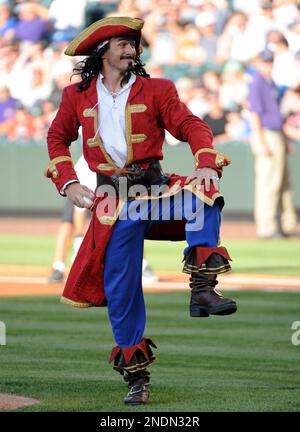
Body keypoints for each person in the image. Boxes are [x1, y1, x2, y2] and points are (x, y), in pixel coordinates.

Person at [45, 16, 236, 406]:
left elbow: (190, 124)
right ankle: (137, 378)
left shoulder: (159, 88)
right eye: (122, 43)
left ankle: (202, 289)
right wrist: (69, 182)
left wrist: (204, 161)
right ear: (102, 52)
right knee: (121, 289)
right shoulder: (76, 96)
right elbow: (56, 137)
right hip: (112, 203)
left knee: (205, 192)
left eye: (134, 43)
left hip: (155, 189)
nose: (131, 49)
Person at [247, 50, 297, 239]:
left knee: (284, 182)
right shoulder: (257, 81)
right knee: (269, 182)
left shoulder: (270, 82)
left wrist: (285, 139)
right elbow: (254, 113)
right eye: (264, 61)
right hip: (266, 134)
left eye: (270, 61)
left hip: (278, 133)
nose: (268, 64)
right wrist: (259, 140)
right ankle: (267, 227)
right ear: (258, 62)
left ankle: (287, 225)